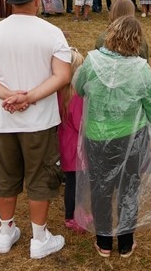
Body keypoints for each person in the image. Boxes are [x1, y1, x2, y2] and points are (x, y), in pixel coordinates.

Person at [0, 0, 70, 258]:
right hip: (39, 120)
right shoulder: (51, 32)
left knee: (5, 173)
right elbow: (62, 75)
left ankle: (6, 231)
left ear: (11, 4)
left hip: (4, 119)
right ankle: (39, 238)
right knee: (40, 176)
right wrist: (29, 97)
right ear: (37, 1)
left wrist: (7, 96)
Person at [74, 15, 151, 258]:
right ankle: (125, 242)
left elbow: (79, 87)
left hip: (97, 136)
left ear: (110, 34)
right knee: (128, 188)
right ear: (137, 41)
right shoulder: (141, 69)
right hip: (130, 138)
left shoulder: (92, 62)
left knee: (100, 186)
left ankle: (103, 242)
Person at [57, 48, 85, 232]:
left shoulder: (59, 91)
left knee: (71, 180)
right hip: (76, 145)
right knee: (77, 182)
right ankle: (75, 216)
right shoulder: (76, 95)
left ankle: (72, 214)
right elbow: (79, 122)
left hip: (64, 142)